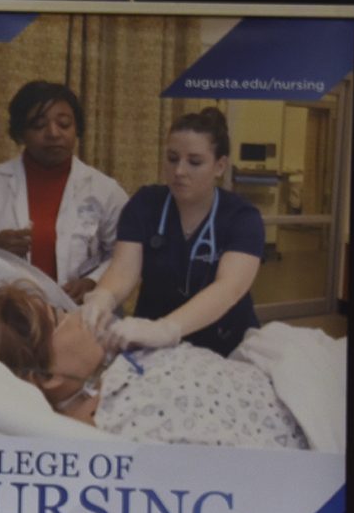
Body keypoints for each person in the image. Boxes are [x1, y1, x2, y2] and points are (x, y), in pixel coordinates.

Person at [0, 282, 307, 450]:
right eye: (61, 317)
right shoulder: (117, 429)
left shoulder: (109, 364)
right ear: (48, 377)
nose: (78, 314)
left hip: (286, 378)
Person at [82, 107, 263, 357]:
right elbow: (123, 271)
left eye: (194, 162)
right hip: (152, 345)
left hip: (225, 343)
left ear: (220, 166)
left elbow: (229, 287)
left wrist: (167, 329)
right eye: (172, 158)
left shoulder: (241, 217)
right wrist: (104, 296)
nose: (179, 171)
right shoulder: (145, 204)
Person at [0, 80, 127, 302]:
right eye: (38, 125)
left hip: (76, 314)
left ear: (77, 129)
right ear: (20, 133)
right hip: (3, 314)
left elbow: (126, 255)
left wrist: (94, 281)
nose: (53, 133)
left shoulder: (105, 190)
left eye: (64, 124)